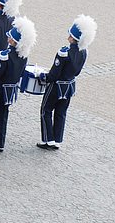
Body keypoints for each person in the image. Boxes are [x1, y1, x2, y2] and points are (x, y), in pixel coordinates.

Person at [37, 15, 97, 150]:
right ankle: (57, 140)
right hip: (69, 86)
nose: (67, 37)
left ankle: (47, 139)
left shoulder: (64, 52)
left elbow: (54, 74)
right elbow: (77, 72)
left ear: (73, 37)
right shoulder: (84, 52)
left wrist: (42, 76)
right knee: (61, 112)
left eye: (70, 35)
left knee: (45, 110)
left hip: (56, 86)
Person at [0, 16, 36, 152]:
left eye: (10, 37)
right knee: (2, 115)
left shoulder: (5, 55)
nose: (8, 38)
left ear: (13, 40)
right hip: (10, 90)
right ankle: (0, 143)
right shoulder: (23, 56)